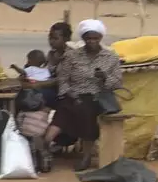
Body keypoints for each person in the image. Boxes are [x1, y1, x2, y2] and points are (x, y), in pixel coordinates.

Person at [48, 19, 123, 171]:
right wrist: (69, 94)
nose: (92, 42)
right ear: (83, 39)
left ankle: (86, 155)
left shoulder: (111, 58)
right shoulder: (73, 56)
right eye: (88, 38)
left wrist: (104, 79)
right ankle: (45, 145)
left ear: (101, 38)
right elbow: (63, 79)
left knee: (87, 111)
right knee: (63, 111)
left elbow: (117, 83)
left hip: (97, 96)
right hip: (73, 94)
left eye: (95, 38)